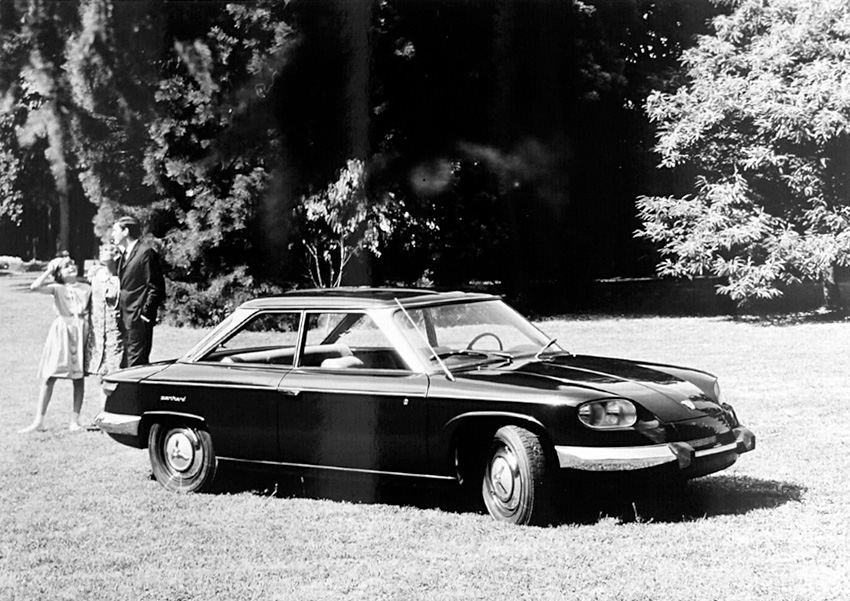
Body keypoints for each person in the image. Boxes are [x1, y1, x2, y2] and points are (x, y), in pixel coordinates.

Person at [20, 255, 92, 433]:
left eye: (72, 264)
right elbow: (35, 287)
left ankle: (74, 420)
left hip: (80, 330)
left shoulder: (86, 288)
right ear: (59, 273)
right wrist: (49, 270)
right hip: (62, 332)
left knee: (78, 377)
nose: (71, 267)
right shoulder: (57, 288)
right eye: (65, 266)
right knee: (50, 374)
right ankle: (39, 420)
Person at [111, 216, 165, 367]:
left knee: (136, 365)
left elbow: (156, 287)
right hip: (125, 318)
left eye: (115, 230)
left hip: (138, 319)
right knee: (126, 364)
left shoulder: (145, 253)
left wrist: (145, 314)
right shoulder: (124, 255)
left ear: (126, 231)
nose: (112, 234)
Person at [86, 243, 124, 405]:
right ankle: (104, 410)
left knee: (114, 373)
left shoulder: (121, 278)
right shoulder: (95, 274)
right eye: (101, 250)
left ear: (116, 255)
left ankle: (115, 407)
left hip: (114, 330)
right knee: (101, 375)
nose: (102, 252)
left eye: (107, 250)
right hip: (97, 331)